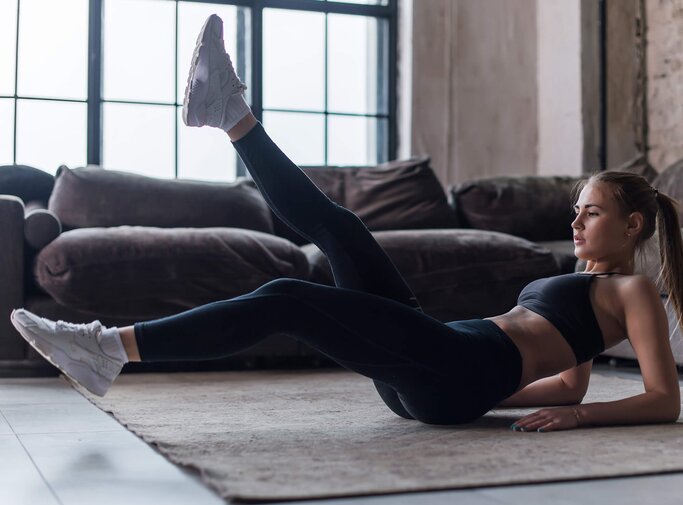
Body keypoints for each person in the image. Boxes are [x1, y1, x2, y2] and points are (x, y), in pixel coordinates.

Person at [10, 15, 682, 431]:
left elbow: (662, 398)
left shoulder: (631, 292)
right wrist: (509, 399)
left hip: (456, 370)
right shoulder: (582, 282)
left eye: (590, 213)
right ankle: (231, 114)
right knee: (341, 231)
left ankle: (106, 349)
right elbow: (567, 377)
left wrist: (572, 416)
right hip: (445, 365)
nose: (574, 222)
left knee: (289, 298)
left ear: (631, 226)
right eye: (573, 211)